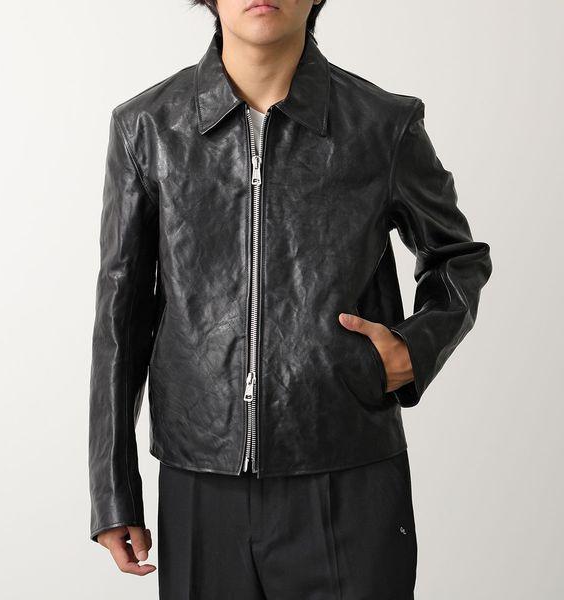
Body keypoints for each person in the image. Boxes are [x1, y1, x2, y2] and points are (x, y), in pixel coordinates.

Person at [88, 1, 493, 598]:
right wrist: (113, 490)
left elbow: (458, 256)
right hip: (201, 479)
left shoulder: (384, 124)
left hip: (348, 468)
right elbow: (120, 317)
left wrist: (414, 349)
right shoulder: (146, 128)